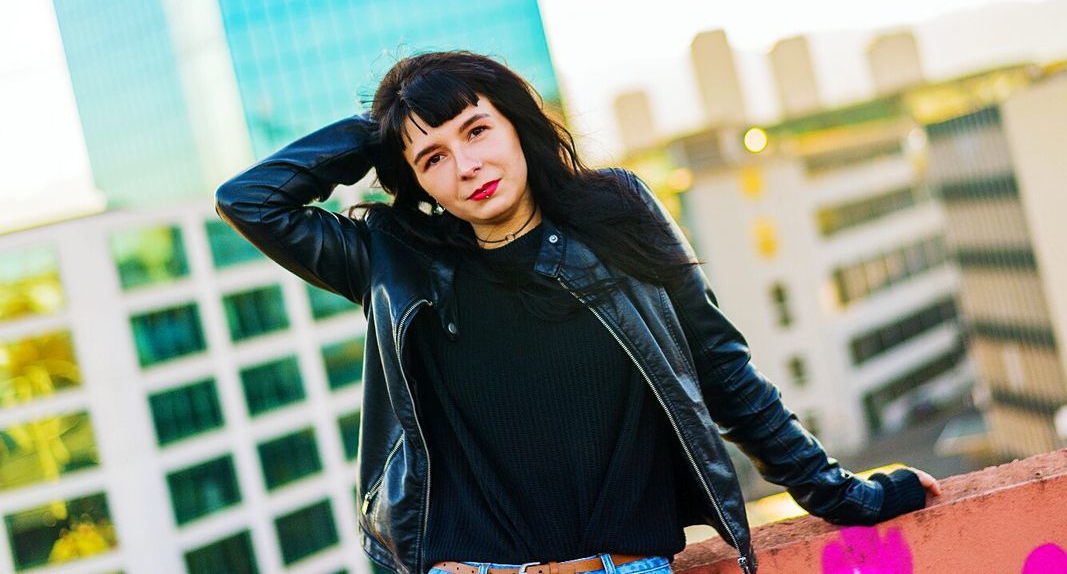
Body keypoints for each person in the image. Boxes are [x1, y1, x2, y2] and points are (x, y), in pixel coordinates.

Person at [214, 51, 941, 574]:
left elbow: (722, 374)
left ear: (517, 122)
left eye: (474, 129)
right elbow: (249, 201)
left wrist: (844, 495)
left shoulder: (616, 211)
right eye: (431, 158)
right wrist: (383, 126)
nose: (465, 165)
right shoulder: (395, 258)